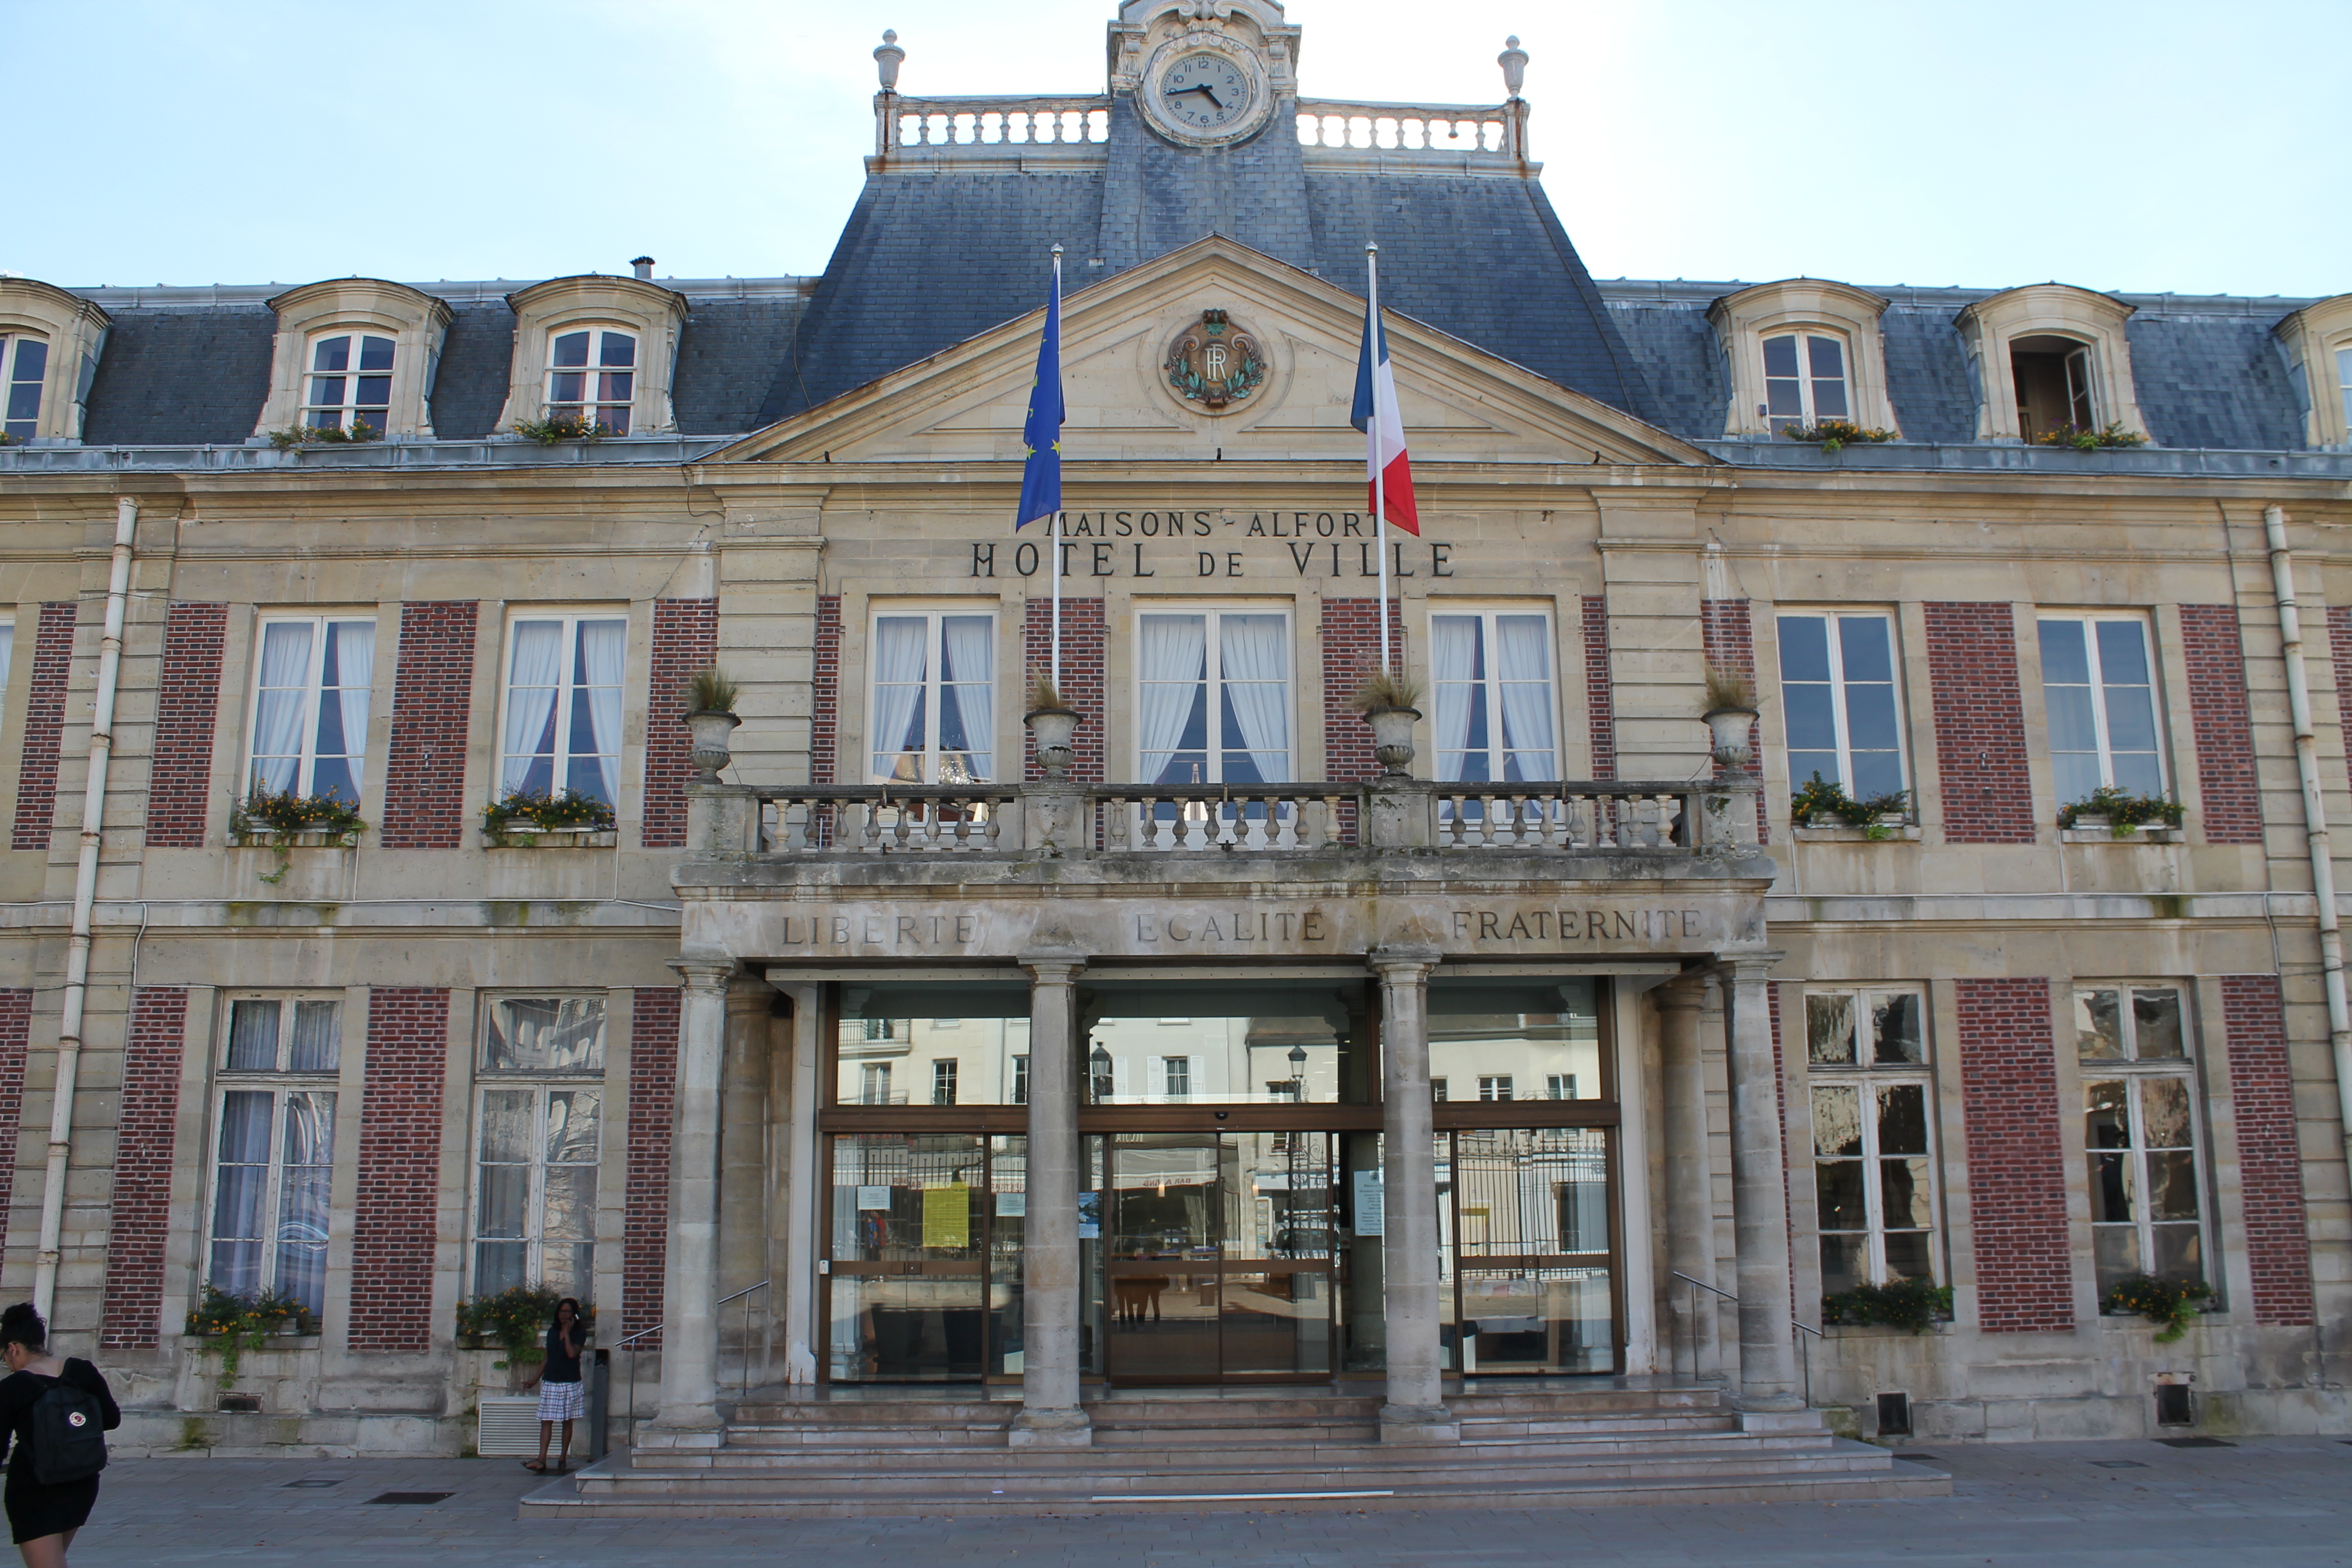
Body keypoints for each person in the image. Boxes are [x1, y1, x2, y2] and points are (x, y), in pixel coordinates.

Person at [0, 1303, 118, 1568]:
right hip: (82, 1482)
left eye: (5, 1358)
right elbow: (112, 1419)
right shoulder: (82, 1371)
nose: (9, 1365)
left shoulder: (13, 1387)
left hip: (34, 1487)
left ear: (14, 1348)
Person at [523, 1298, 585, 1474]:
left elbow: (572, 1353)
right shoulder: (551, 1332)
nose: (564, 1315)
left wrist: (567, 1332)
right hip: (551, 1380)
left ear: (574, 1315)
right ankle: (541, 1459)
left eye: (567, 1312)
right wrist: (535, 1379)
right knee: (546, 1419)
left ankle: (562, 1457)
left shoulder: (580, 1333)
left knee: (566, 1420)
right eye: (561, 1312)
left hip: (570, 1381)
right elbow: (547, 1357)